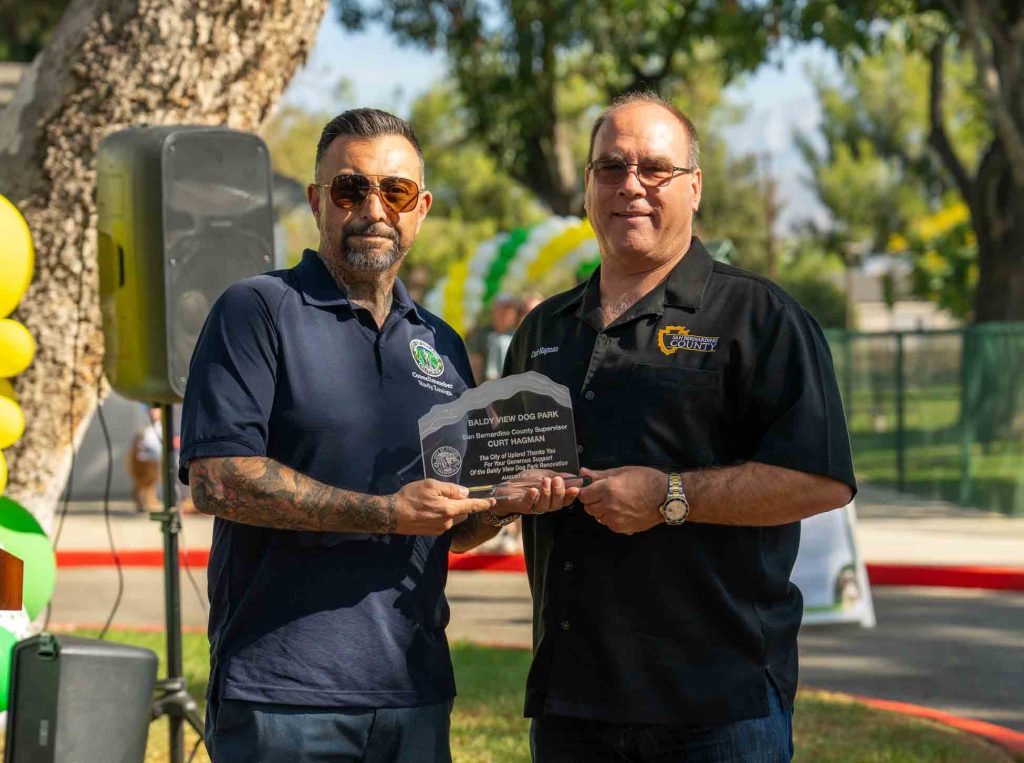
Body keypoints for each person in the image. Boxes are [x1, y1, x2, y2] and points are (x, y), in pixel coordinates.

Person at [178, 108, 566, 762]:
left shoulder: (439, 344)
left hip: (414, 692)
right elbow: (216, 480)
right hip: (283, 697)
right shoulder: (256, 310)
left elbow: (448, 522)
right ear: (316, 201)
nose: (374, 208)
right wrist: (386, 513)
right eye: (350, 189)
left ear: (421, 208)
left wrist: (503, 504)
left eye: (396, 191)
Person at [502, 92, 857, 761]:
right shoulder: (543, 330)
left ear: (693, 188)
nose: (630, 185)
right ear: (587, 188)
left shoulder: (759, 317)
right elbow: (498, 473)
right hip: (572, 703)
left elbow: (821, 478)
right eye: (610, 167)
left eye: (654, 169)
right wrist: (506, 495)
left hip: (719, 708)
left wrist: (671, 496)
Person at [465, 293, 520, 382]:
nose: (504, 314)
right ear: (494, 311)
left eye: (508, 310)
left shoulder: (518, 336)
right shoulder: (482, 333)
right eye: (501, 310)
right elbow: (475, 362)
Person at [125, 406, 162, 512]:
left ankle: (149, 501)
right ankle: (142, 501)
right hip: (143, 458)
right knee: (143, 481)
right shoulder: (144, 426)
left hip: (154, 457)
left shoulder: (159, 425)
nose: (153, 413)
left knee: (152, 481)